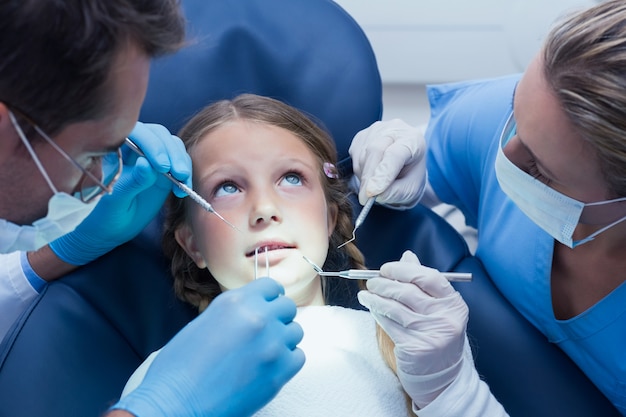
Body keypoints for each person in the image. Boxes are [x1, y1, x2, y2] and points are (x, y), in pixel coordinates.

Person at [0, 2, 303, 417]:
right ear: (189, 242)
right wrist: (162, 407)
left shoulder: (404, 346)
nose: (103, 183)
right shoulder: (152, 377)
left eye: (291, 178)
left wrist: (47, 258)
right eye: (95, 154)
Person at [119, 93, 484, 416]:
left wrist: (449, 390)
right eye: (227, 187)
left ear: (329, 218)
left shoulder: (419, 347)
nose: (264, 208)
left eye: (291, 178)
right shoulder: (167, 383)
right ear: (192, 245)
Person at [349, 1, 626, 415]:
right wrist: (403, 167)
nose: (505, 156)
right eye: (515, 115)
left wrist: (454, 399)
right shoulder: (542, 108)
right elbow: (421, 164)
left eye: (538, 168)